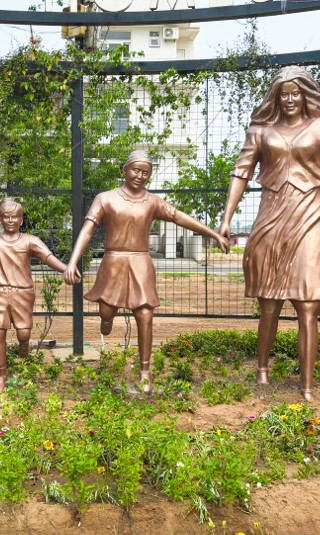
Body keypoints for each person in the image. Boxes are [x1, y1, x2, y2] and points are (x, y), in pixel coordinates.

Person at [217, 66, 320, 400]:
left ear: (306, 94)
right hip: (271, 217)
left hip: (310, 215)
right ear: (275, 97)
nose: (289, 99)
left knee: (308, 303)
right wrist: (226, 218)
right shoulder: (260, 131)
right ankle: (262, 368)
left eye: (296, 93)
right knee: (270, 302)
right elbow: (241, 173)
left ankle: (307, 384)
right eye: (283, 94)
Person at [65, 151, 228, 391]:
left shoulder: (152, 201)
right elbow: (87, 230)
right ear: (124, 170)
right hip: (113, 260)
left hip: (141, 261)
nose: (140, 176)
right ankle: (106, 319)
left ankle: (145, 372)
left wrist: (213, 233)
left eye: (146, 173)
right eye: (136, 170)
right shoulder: (105, 198)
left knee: (145, 313)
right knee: (106, 310)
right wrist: (72, 262)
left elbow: (178, 217)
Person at [0, 200, 75, 391]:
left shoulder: (30, 241)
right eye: (6, 217)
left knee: (24, 332)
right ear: (0, 219)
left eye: (14, 217)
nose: (10, 220)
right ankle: (2, 375)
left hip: (23, 293)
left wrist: (66, 269)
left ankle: (24, 344)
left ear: (21, 219)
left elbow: (48, 258)